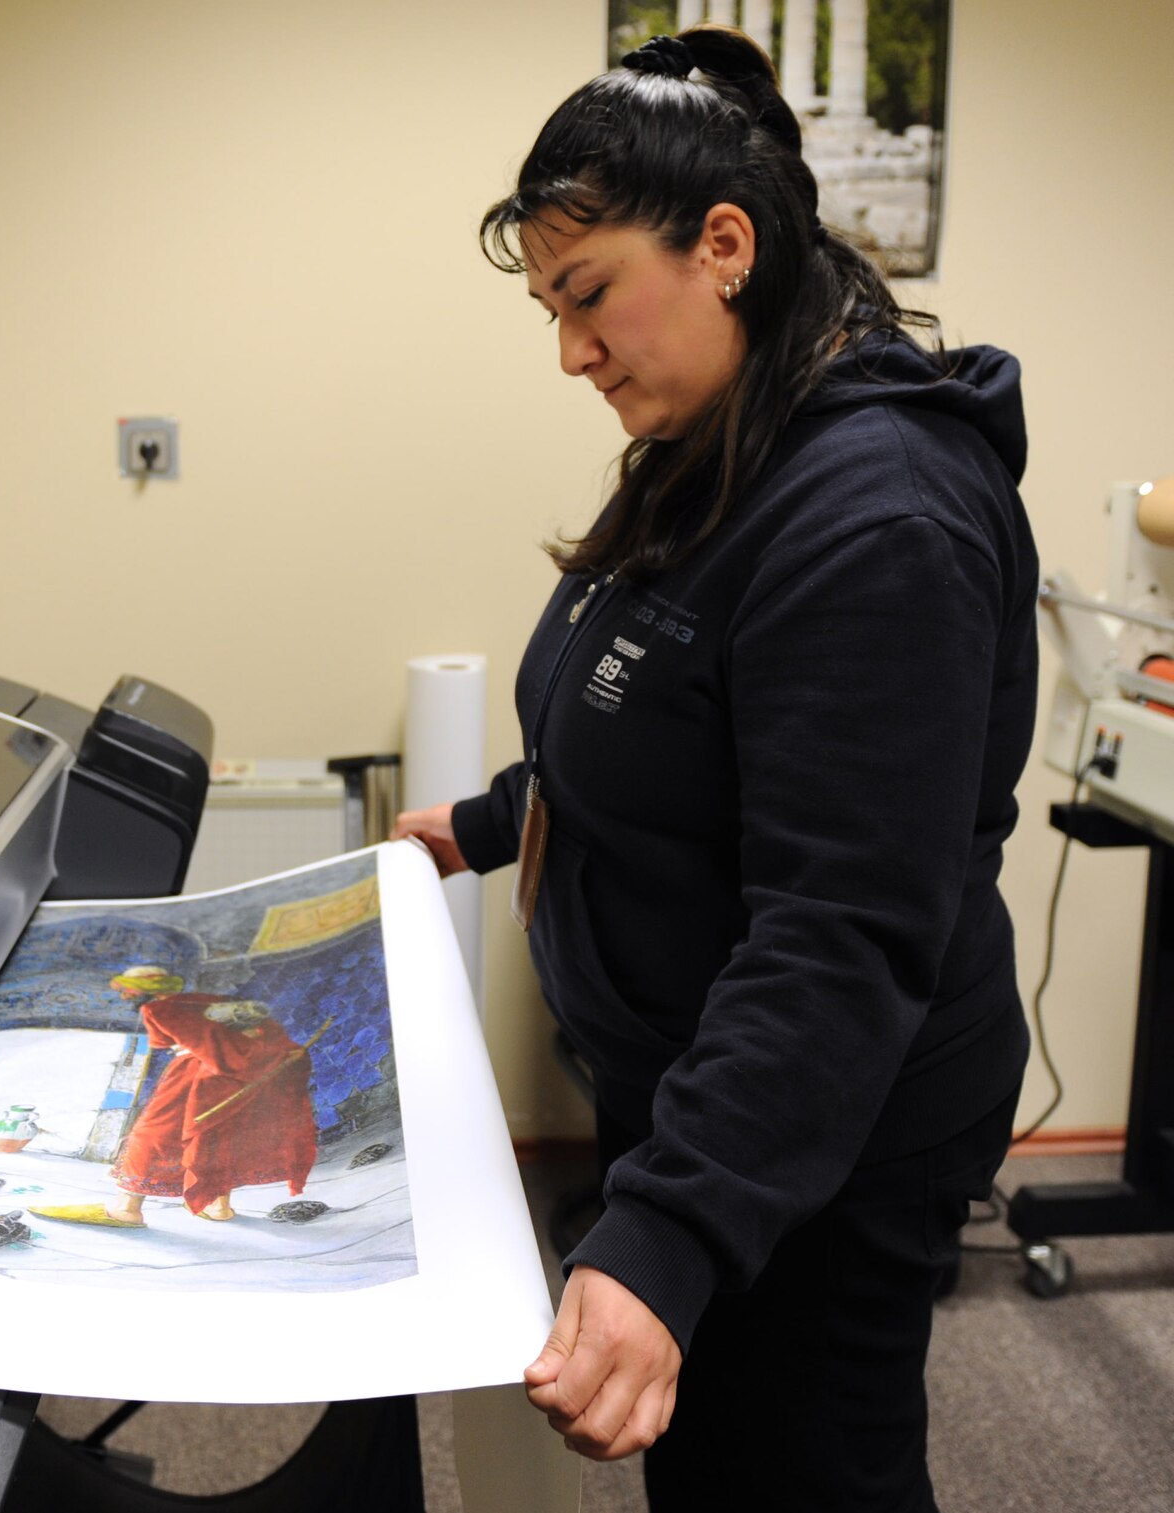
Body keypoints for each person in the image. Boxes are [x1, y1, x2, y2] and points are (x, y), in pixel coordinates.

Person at [392, 25, 1035, 1512]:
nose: (571, 349)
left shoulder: (880, 521)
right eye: (553, 308)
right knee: (714, 1452)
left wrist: (668, 1228)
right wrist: (496, 818)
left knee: (804, 1464)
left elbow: (839, 928)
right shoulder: (717, 433)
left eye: (589, 294)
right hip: (700, 1073)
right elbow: (661, 699)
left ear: (725, 243)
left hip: (830, 1113)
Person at [33, 965, 319, 1227]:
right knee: (216, 1135)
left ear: (148, 988)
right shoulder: (206, 999)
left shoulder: (158, 1009)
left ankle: (126, 1209)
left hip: (196, 1074)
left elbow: (189, 1042)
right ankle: (218, 1207)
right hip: (234, 1074)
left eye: (126, 989)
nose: (122, 996)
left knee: (152, 1135)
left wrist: (226, 1063)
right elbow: (257, 1032)